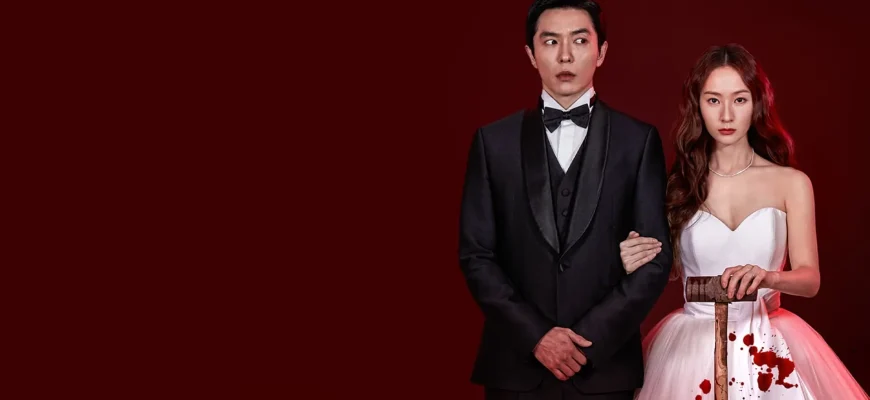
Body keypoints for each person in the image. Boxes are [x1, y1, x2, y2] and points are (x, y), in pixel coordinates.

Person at [619, 43, 870, 399]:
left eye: (739, 100)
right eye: (713, 100)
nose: (726, 115)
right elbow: (662, 267)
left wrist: (768, 277)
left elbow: (810, 279)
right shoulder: (677, 185)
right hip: (690, 348)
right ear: (697, 105)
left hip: (768, 341)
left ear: (757, 104)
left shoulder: (791, 183)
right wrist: (633, 257)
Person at [457, 1, 673, 398]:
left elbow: (656, 258)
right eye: (551, 41)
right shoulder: (493, 142)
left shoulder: (638, 141)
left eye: (580, 40)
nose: (566, 56)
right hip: (516, 369)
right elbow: (476, 256)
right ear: (531, 54)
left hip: (604, 369)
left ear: (601, 51)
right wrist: (536, 337)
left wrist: (588, 340)